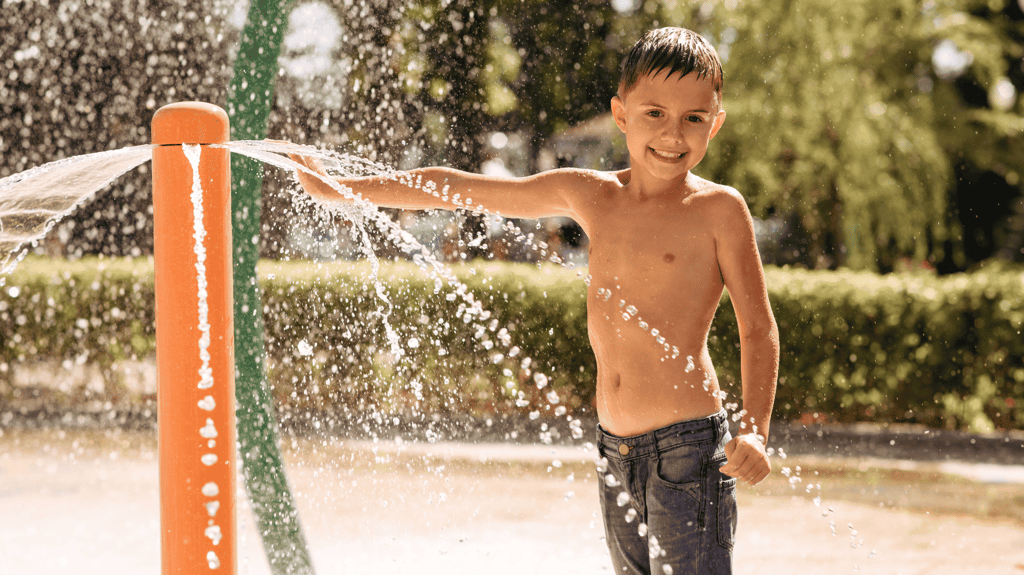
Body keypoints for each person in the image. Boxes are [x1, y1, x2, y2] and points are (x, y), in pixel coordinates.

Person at [286, 26, 779, 575]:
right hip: (615, 447)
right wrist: (339, 190)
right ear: (621, 114)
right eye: (654, 114)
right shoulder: (592, 195)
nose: (673, 133)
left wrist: (755, 428)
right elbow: (457, 186)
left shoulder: (718, 210)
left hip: (687, 448)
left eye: (694, 118)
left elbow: (758, 326)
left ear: (716, 121)